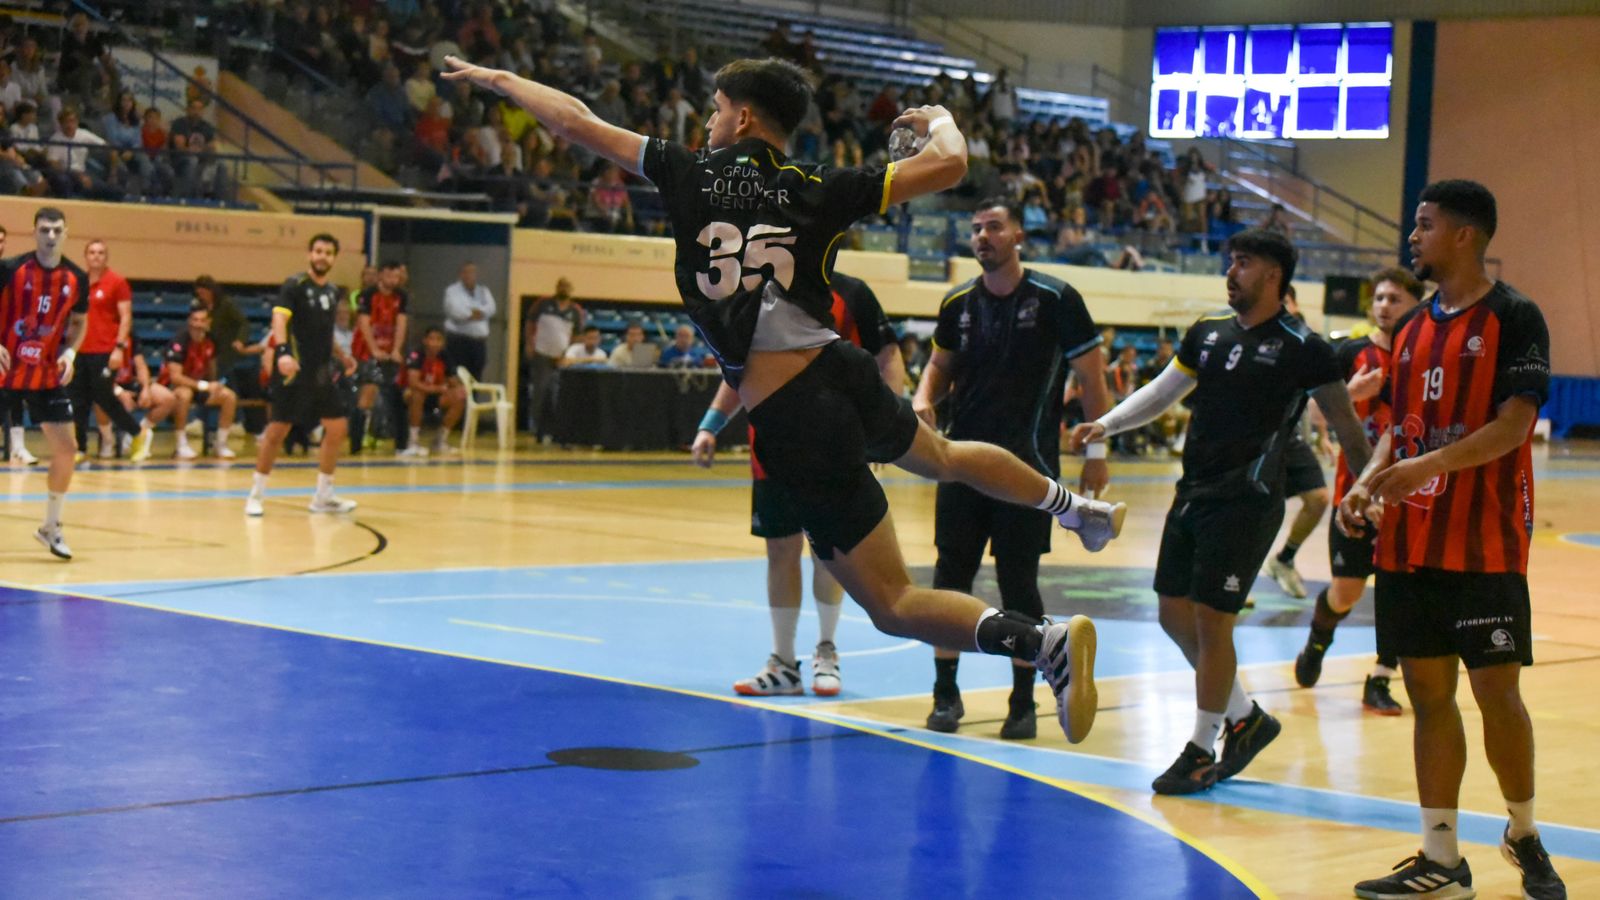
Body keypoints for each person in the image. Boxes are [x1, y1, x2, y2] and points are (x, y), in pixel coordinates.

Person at [443, 53, 1126, 745]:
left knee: (892, 603)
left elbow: (575, 121)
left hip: (797, 417)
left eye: (715, 110)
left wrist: (501, 80)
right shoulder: (817, 184)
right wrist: (941, 118)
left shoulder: (686, 171)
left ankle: (1042, 642)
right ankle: (1079, 511)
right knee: (943, 456)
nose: (708, 123)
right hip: (841, 367)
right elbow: (950, 165)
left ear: (742, 117)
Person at [1071, 228, 1371, 793]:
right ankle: (1246, 717)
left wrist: (1368, 493)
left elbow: (1348, 429)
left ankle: (1201, 747)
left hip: (1247, 501)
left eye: (1244, 262)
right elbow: (1163, 392)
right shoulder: (1207, 332)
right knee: (1172, 614)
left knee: (1213, 623)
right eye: (1231, 261)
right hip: (1193, 492)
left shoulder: (1304, 347)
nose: (1231, 272)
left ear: (1274, 275)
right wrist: (1106, 425)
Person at [1342, 181, 1566, 900]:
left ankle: (1523, 832)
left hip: (1485, 544)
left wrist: (1423, 467)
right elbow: (1396, 429)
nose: (1413, 237)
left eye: (1425, 225)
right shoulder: (1410, 330)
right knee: (1428, 697)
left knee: (1498, 693)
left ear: (1464, 235)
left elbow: (1513, 427)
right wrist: (1365, 484)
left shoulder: (1515, 316)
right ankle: (1442, 859)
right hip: (1409, 546)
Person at [914, 200, 1113, 739]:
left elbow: (1092, 378)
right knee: (949, 579)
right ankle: (945, 694)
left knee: (1018, 584)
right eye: (975, 228)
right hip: (960, 468)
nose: (982, 236)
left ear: (1019, 234)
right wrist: (923, 397)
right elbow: (938, 365)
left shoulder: (1056, 299)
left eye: (994, 227)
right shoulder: (957, 303)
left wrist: (1097, 454)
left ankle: (1022, 702)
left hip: (1028, 473)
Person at [693, 271, 905, 698]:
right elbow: (740, 370)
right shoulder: (755, 292)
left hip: (834, 447)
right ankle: (784, 664)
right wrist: (710, 425)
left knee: (829, 552)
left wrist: (885, 427)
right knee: (780, 551)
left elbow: (888, 357)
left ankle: (827, 650)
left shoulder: (851, 293)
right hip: (771, 448)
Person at [1293, 267, 1423, 715]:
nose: (1384, 306)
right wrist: (1350, 392)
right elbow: (1315, 414)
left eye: (1395, 298)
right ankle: (1318, 639)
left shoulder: (1423, 354)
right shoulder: (1351, 352)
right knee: (1347, 592)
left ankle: (1381, 678)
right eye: (1380, 298)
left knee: (1399, 592)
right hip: (1355, 495)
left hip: (1407, 496)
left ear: (1417, 305)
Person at [244, 233, 358, 517]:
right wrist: (283, 352)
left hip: (321, 372)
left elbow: (325, 332)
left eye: (328, 253)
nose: (322, 257)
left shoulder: (332, 291)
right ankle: (255, 495)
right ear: (310, 254)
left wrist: (342, 355)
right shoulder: (294, 285)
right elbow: (280, 319)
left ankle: (323, 496)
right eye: (318, 251)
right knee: (277, 431)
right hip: (293, 370)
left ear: (334, 258)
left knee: (337, 428)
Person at [0, 208, 90, 558]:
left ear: (66, 233)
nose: (50, 236)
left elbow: (80, 321)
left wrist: (70, 353)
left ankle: (51, 527)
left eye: (56, 230)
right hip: (5, 369)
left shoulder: (76, 277)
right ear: (34, 232)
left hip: (45, 375)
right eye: (44, 230)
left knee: (67, 449)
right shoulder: (10, 269)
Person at [1264, 285, 1333, 599]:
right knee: (1252, 513)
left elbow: (1317, 392)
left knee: (1318, 498)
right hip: (1254, 440)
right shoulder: (1249, 336)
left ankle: (1284, 559)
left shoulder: (1305, 340)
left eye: (1286, 300)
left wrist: (1322, 435)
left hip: (1289, 437)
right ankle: (1229, 578)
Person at [70, 238, 152, 461]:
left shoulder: (117, 282)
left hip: (105, 350)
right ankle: (80, 447)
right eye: (92, 252)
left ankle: (138, 433)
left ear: (106, 257)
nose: (96, 256)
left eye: (100, 252)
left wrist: (119, 348)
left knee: (104, 396)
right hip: (80, 349)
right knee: (78, 400)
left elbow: (126, 317)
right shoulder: (79, 282)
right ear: (86, 256)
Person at [162, 303, 237, 460]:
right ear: (189, 321)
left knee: (229, 397)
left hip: (200, 386)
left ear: (208, 322)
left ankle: (220, 444)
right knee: (185, 395)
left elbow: (212, 367)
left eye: (202, 320)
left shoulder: (212, 340)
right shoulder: (179, 341)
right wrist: (205, 385)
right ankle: (181, 445)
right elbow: (175, 377)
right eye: (195, 320)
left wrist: (215, 385)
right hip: (174, 387)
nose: (198, 324)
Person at [352, 260, 408, 454]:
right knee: (368, 393)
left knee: (397, 395)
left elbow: (401, 323)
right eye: (390, 275)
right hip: (367, 351)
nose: (393, 280)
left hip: (389, 351)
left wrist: (397, 349)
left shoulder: (401, 296)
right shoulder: (368, 295)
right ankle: (356, 444)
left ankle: (402, 445)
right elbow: (364, 323)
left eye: (397, 276)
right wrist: (374, 349)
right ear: (381, 275)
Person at [523, 277, 584, 437]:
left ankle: (556, 427)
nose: (563, 289)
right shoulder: (542, 303)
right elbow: (530, 324)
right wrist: (529, 344)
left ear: (571, 290)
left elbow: (577, 335)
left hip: (561, 357)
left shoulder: (575, 310)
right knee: (540, 390)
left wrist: (567, 354)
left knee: (559, 393)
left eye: (566, 286)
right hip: (541, 353)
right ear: (556, 287)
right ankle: (537, 426)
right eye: (561, 286)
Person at [398, 327, 465, 458]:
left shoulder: (445, 356)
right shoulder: (417, 355)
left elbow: (452, 380)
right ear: (425, 340)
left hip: (434, 394)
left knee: (458, 398)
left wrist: (459, 388)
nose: (434, 343)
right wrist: (437, 388)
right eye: (431, 339)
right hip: (410, 393)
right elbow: (413, 382)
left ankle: (440, 441)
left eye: (438, 339)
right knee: (417, 395)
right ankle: (413, 442)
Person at [106, 334, 173, 460]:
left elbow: (141, 366)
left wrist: (145, 389)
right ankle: (107, 442)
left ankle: (138, 433)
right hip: (107, 384)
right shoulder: (104, 337)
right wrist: (119, 392)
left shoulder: (132, 338)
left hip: (129, 382)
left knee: (167, 398)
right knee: (100, 396)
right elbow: (98, 373)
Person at [442, 261, 495, 380]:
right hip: (459, 341)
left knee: (476, 377)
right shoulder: (452, 291)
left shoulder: (483, 291)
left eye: (472, 272)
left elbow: (491, 309)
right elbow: (456, 312)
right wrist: (477, 314)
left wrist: (472, 313)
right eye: (466, 272)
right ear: (461, 274)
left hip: (478, 342)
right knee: (457, 376)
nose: (469, 275)